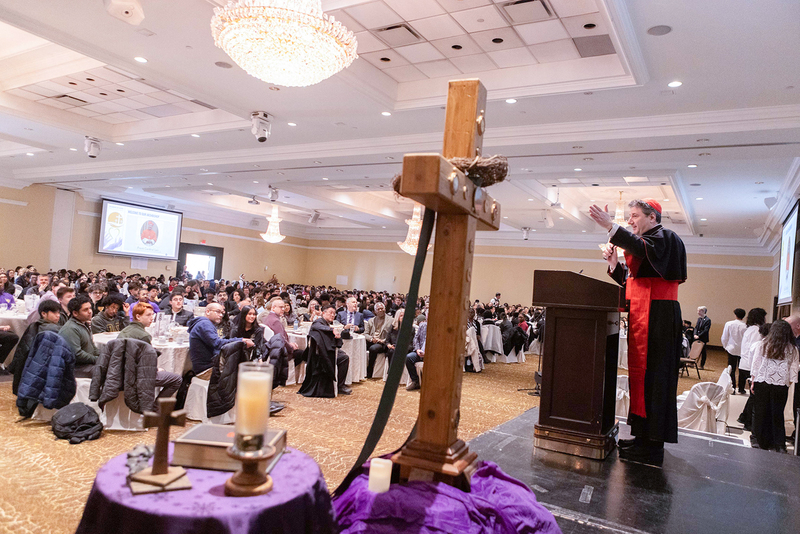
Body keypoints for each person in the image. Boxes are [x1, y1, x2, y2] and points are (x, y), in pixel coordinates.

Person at [590, 198, 686, 465]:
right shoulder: (648, 244)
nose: (630, 221)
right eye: (629, 216)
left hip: (660, 318)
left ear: (652, 217)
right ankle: (643, 436)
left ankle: (654, 443)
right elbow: (633, 283)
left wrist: (611, 226)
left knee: (656, 379)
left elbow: (640, 251)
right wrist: (614, 264)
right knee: (642, 379)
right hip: (644, 314)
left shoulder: (666, 238)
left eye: (634, 216)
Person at [116, 302, 183, 409]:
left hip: (122, 371)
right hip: (136, 375)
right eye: (148, 315)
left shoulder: (125, 330)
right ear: (138, 316)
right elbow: (146, 363)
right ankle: (155, 409)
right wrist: (155, 369)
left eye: (152, 315)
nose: (152, 318)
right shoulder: (144, 335)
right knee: (176, 379)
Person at [749, 320, 799, 452]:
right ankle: (779, 444)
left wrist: (753, 381)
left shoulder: (763, 345)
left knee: (760, 412)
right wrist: (787, 384)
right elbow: (793, 371)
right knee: (777, 414)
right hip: (781, 385)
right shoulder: (792, 349)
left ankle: (758, 441)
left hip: (762, 382)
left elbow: (756, 365)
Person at [9, 299, 61, 394]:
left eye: (58, 312)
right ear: (44, 314)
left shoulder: (34, 325)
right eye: (54, 313)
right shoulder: (53, 330)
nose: (58, 315)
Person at [187, 303, 253, 377]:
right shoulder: (204, 324)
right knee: (241, 371)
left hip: (208, 365)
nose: (221, 315)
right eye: (217, 312)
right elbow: (217, 343)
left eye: (222, 313)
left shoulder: (205, 323)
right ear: (208, 311)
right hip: (206, 368)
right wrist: (242, 340)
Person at [300, 305, 351, 396]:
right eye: (330, 313)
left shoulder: (326, 323)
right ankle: (340, 386)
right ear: (323, 313)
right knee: (344, 358)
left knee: (343, 355)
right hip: (320, 353)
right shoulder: (318, 322)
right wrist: (332, 329)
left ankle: (340, 384)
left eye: (334, 314)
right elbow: (317, 326)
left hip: (326, 349)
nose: (332, 315)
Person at [59, 294, 99, 376]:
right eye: (85, 310)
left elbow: (92, 346)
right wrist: (96, 359)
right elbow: (77, 354)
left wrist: (101, 356)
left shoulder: (84, 324)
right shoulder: (70, 329)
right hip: (76, 368)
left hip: (87, 364)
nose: (90, 312)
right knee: (108, 372)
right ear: (75, 313)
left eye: (90, 308)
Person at [721, 308, 747, 392]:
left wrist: (725, 347)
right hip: (742, 350)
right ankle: (741, 388)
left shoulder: (729, 324)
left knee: (731, 368)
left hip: (731, 349)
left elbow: (725, 337)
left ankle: (732, 387)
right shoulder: (746, 325)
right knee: (742, 369)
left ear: (735, 315)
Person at [365, 302, 392, 379]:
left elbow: (392, 335)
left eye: (382, 308)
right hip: (372, 340)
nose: (380, 310)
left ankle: (369, 370)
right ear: (375, 311)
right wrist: (371, 339)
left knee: (373, 349)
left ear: (385, 309)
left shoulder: (391, 320)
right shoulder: (371, 321)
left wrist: (382, 340)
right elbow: (365, 334)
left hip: (383, 343)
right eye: (378, 309)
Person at [405, 314, 427, 391]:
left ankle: (427, 384)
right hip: (419, 352)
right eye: (420, 322)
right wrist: (417, 349)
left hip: (431, 354)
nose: (422, 324)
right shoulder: (422, 326)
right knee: (408, 358)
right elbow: (416, 339)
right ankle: (415, 381)